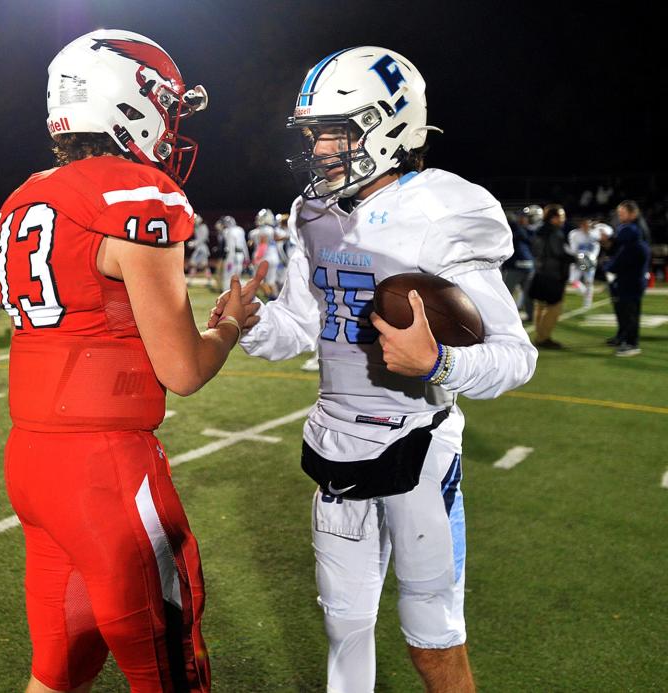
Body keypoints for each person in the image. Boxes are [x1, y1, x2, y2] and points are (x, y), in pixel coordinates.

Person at [210, 46, 536, 693]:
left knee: (434, 645)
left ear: (389, 125)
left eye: (336, 130)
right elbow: (302, 323)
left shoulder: (445, 207)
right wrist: (253, 323)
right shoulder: (313, 210)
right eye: (315, 133)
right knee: (345, 634)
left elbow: (515, 355)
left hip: (417, 444)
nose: (321, 147)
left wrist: (438, 360)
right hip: (334, 442)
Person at [0, 29, 263, 693]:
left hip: (31, 461)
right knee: (173, 670)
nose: (171, 128)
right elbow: (183, 370)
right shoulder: (137, 196)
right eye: (167, 107)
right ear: (128, 104)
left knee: (58, 669)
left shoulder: (28, 195)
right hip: (106, 474)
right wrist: (231, 322)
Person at [603, 200, 651, 356]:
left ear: (633, 213)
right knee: (624, 310)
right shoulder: (632, 234)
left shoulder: (635, 235)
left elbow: (623, 258)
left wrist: (608, 265)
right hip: (627, 278)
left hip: (630, 279)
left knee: (629, 312)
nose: (620, 217)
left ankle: (631, 343)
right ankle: (623, 337)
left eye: (622, 213)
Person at [528, 204, 576, 348]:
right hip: (553, 275)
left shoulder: (539, 231)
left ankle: (540, 336)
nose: (563, 219)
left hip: (540, 272)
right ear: (554, 218)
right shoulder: (555, 233)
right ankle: (543, 338)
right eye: (561, 216)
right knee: (554, 307)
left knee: (540, 306)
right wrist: (573, 258)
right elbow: (558, 253)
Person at [501, 211, 535, 320]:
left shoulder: (510, 231)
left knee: (506, 294)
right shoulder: (527, 231)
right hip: (528, 265)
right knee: (528, 294)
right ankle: (531, 315)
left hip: (515, 267)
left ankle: (505, 316)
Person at [567, 218, 602, 308]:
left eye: (587, 224)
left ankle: (587, 303)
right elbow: (573, 249)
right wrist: (579, 256)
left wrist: (592, 257)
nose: (586, 226)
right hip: (578, 260)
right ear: (581, 225)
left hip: (590, 261)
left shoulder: (594, 234)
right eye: (584, 224)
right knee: (573, 280)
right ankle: (584, 292)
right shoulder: (574, 234)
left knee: (589, 282)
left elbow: (596, 248)